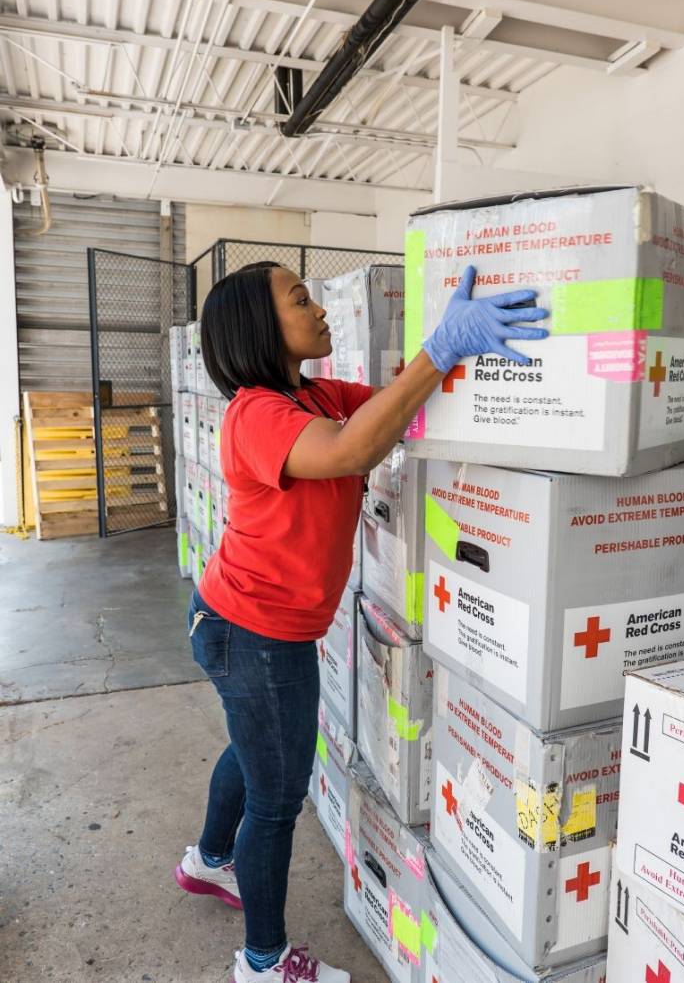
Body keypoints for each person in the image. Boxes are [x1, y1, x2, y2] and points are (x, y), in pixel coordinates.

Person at [174, 260, 548, 983]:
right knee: (278, 799)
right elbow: (352, 448)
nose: (319, 311)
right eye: (300, 299)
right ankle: (263, 963)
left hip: (243, 625)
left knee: (256, 755)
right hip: (253, 634)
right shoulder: (256, 413)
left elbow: (386, 411)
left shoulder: (311, 393)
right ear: (260, 325)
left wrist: (451, 349)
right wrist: (443, 348)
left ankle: (208, 861)